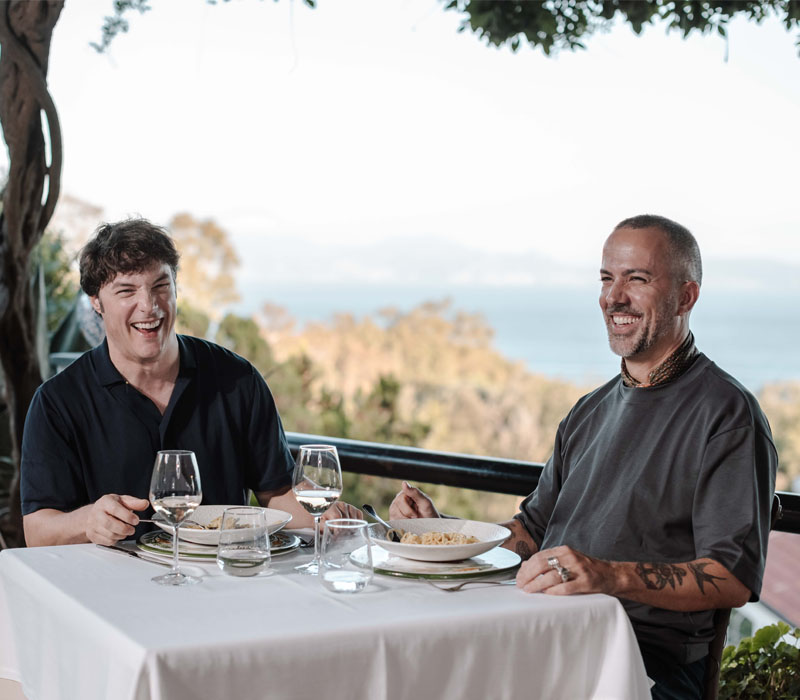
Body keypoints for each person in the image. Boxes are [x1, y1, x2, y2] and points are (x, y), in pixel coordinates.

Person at [390, 215, 777, 700]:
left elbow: (732, 578)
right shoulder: (588, 411)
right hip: (545, 637)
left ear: (686, 297)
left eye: (637, 279)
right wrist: (443, 531)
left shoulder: (727, 415)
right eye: (606, 278)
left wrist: (608, 575)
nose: (614, 297)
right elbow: (529, 534)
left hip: (641, 664)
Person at [21, 218, 359, 547]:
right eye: (127, 291)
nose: (149, 306)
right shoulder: (57, 402)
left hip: (224, 584)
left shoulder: (237, 381)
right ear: (96, 302)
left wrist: (330, 515)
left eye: (160, 286)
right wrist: (87, 522)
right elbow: (37, 531)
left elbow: (276, 495)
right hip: (110, 594)